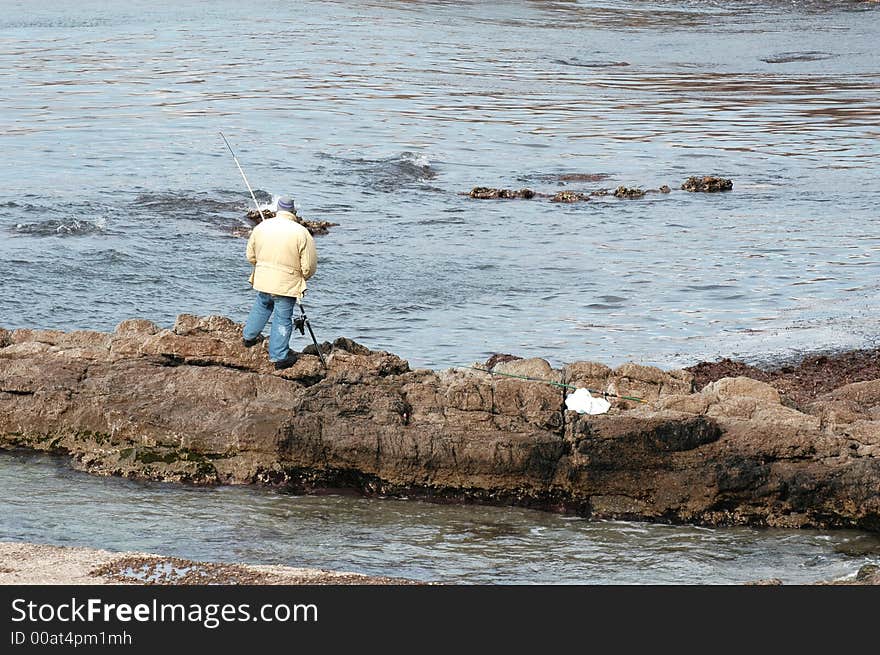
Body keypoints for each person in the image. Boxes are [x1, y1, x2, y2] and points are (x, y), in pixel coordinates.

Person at [242, 196, 317, 370]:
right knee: (283, 318)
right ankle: (278, 357)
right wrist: (301, 278)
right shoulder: (301, 232)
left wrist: (264, 268)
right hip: (286, 284)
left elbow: (250, 256)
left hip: (263, 279)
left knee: (262, 305)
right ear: (293, 212)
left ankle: (248, 337)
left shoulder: (261, 227)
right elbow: (309, 266)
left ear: (277, 210)